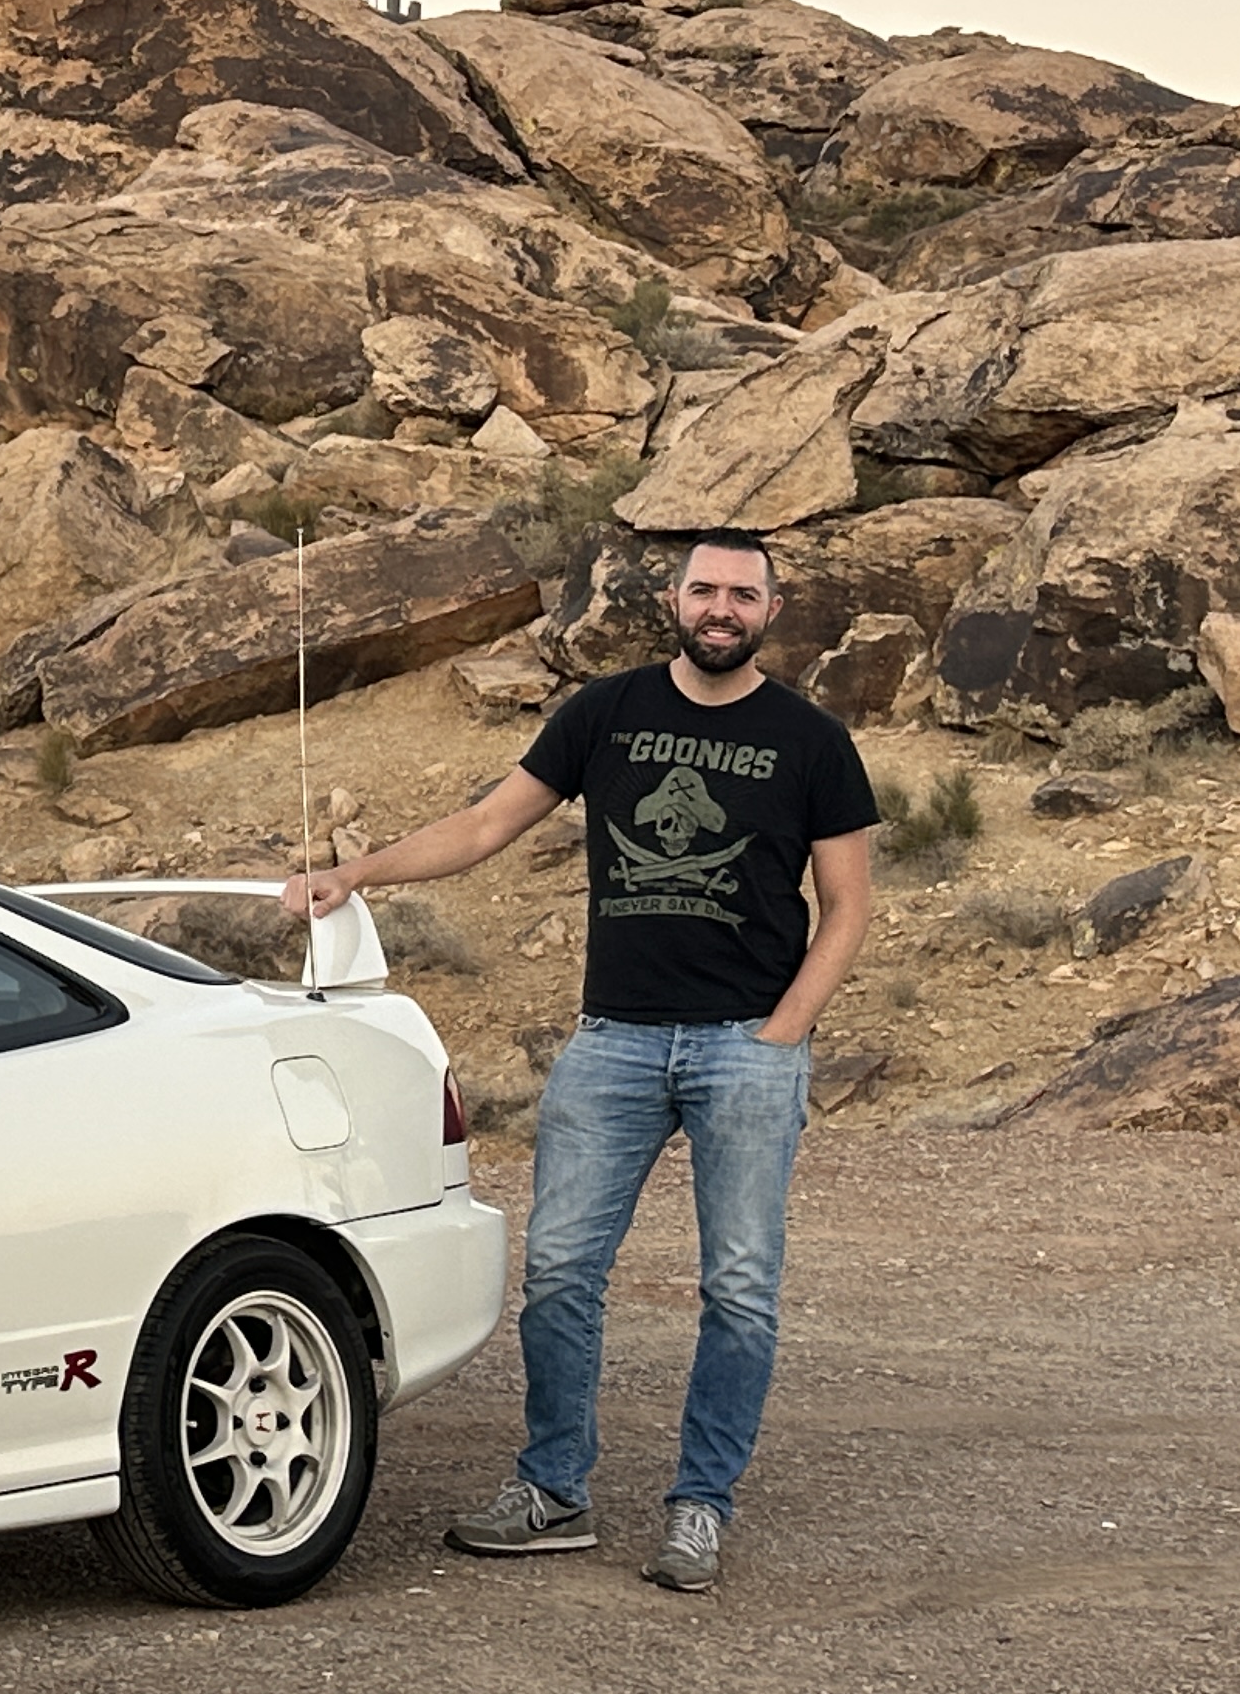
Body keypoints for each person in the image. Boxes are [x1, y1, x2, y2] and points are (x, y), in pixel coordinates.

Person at [279, 529, 876, 1594]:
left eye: (743, 594)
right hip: (615, 1041)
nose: (722, 608)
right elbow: (485, 827)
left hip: (747, 1046)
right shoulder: (607, 712)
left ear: (771, 611)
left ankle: (701, 1504)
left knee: (739, 1286)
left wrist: (784, 1032)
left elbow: (848, 907)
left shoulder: (813, 741)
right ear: (675, 600)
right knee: (560, 1272)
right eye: (705, 589)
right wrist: (356, 874)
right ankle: (554, 1489)